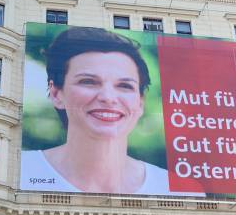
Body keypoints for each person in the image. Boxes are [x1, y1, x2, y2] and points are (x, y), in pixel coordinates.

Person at [21, 26, 169, 195]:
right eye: (88, 82)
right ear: (56, 94)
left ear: (141, 103)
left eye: (124, 86)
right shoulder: (23, 169)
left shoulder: (174, 188)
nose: (108, 97)